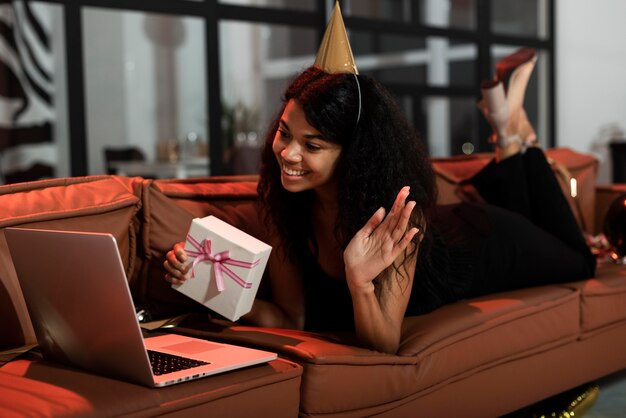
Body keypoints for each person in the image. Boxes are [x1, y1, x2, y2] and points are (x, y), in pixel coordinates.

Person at [164, 5, 595, 355]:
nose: (288, 154)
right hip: (458, 227)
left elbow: (383, 342)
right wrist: (207, 285)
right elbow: (289, 320)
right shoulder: (286, 209)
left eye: (312, 146)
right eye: (285, 132)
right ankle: (507, 128)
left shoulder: (396, 217)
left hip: (489, 244)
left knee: (582, 262)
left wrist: (359, 277)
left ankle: (512, 134)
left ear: (353, 155)